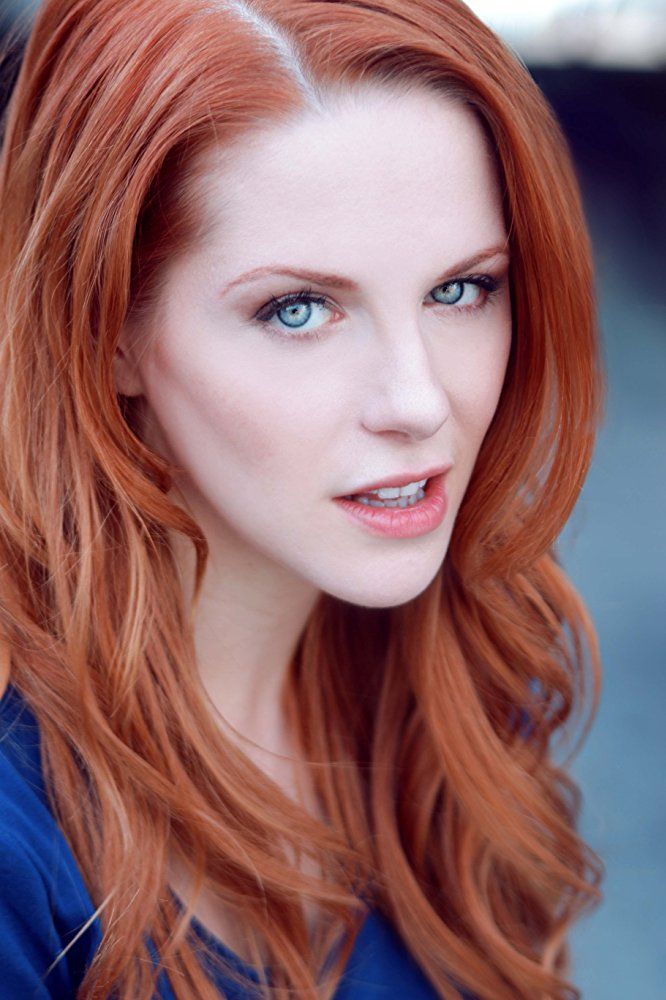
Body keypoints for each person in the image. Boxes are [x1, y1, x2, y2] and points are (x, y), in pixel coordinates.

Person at [0, 1, 606, 998]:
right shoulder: (21, 853)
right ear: (106, 331)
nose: (418, 401)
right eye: (298, 310)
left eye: (461, 290)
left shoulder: (455, 685)